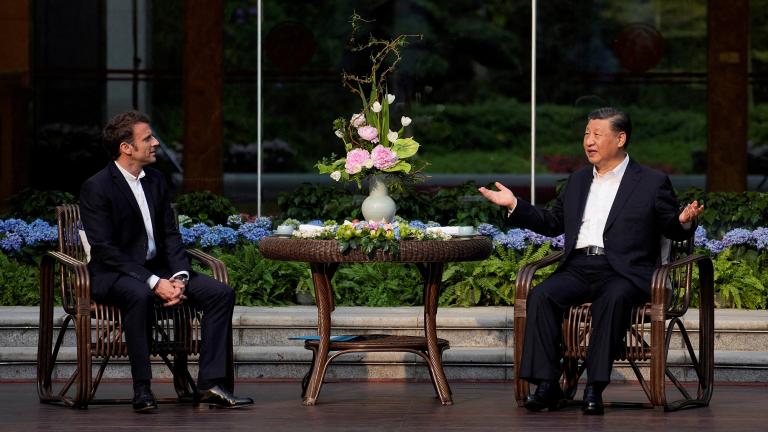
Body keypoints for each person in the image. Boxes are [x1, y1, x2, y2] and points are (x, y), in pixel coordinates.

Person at [479, 107, 704, 415]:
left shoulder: (651, 182)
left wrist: (684, 221)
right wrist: (515, 205)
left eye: (597, 134)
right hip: (580, 266)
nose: (589, 141)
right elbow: (553, 222)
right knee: (542, 295)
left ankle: (594, 387)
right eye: (587, 134)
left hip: (624, 272)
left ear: (620, 138)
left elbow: (670, 226)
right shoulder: (578, 180)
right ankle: (547, 385)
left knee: (612, 297)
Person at [79, 110, 253, 412]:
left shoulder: (157, 180)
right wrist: (154, 282)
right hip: (114, 274)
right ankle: (142, 389)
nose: (156, 143)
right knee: (139, 294)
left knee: (220, 293)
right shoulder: (97, 187)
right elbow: (105, 250)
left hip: (159, 270)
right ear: (126, 148)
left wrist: (180, 277)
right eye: (148, 138)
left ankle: (211, 384)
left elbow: (171, 235)